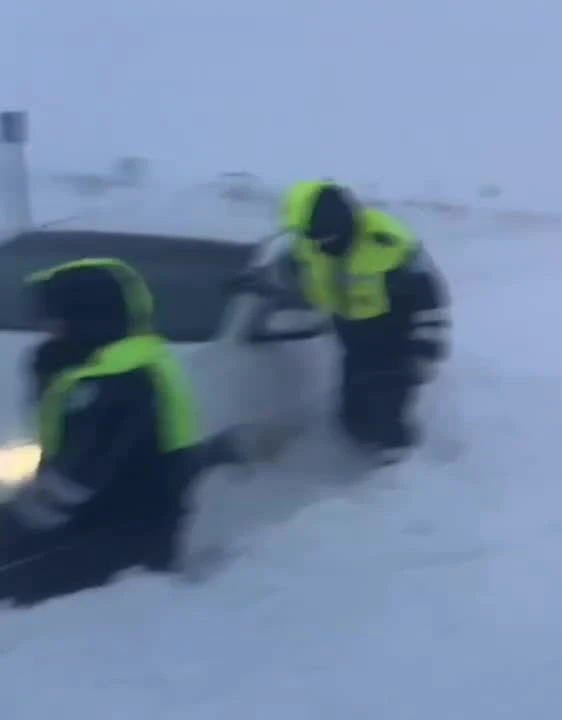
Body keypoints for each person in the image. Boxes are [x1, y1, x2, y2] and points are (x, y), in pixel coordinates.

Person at [0, 259, 205, 607]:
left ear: (88, 316)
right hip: (90, 519)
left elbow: (75, 483)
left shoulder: (121, 381)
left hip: (126, 537)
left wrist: (7, 525)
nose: (47, 328)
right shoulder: (96, 368)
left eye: (55, 318)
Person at [234, 181, 450, 463]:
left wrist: (426, 350)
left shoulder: (389, 244)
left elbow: (430, 301)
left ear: (342, 222)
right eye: (313, 239)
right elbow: (290, 270)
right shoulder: (311, 244)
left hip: (396, 345)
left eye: (324, 237)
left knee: (386, 423)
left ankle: (399, 476)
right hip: (354, 344)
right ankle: (368, 462)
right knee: (351, 420)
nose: (319, 245)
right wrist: (257, 279)